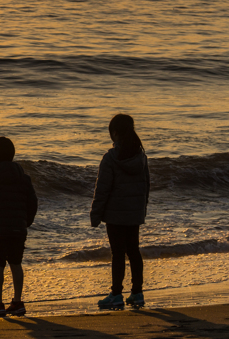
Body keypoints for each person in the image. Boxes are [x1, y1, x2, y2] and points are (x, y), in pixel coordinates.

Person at [89, 113, 151, 310]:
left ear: (114, 133)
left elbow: (102, 189)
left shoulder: (110, 158)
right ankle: (137, 292)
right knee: (133, 251)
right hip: (134, 214)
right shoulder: (141, 157)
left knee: (117, 253)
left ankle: (116, 293)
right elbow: (146, 186)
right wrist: (141, 210)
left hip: (115, 215)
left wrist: (96, 214)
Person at [0, 136, 38, 317]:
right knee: (16, 263)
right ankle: (17, 302)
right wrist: (26, 222)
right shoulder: (23, 177)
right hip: (19, 228)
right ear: (12, 155)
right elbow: (33, 202)